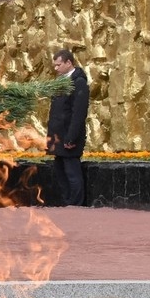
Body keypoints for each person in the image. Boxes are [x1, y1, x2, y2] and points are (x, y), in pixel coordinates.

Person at [47, 48, 90, 206]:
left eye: (58, 65)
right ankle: (67, 201)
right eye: (55, 65)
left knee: (72, 172)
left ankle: (76, 204)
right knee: (60, 171)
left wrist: (71, 137)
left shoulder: (79, 83)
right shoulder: (61, 81)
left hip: (69, 137)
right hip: (58, 135)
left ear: (69, 62)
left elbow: (78, 114)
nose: (56, 68)